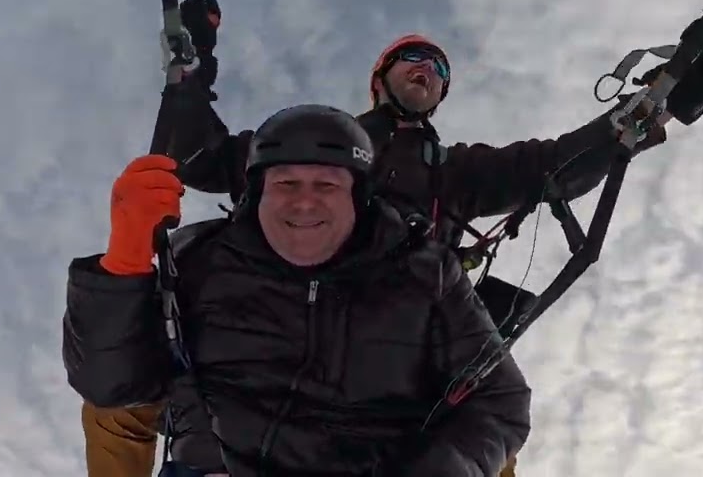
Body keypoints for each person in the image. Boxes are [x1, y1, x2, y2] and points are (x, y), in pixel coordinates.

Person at [79, 0, 703, 476]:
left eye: (437, 68)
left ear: (440, 95)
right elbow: (196, 158)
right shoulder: (294, 151)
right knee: (118, 408)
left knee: (490, 447)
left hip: (395, 344)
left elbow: (561, 164)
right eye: (411, 59)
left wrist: (680, 94)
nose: (424, 69)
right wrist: (193, 72)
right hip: (264, 329)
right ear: (381, 78)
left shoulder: (457, 174)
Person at [65, 105, 532, 477]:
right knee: (115, 410)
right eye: (285, 182)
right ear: (257, 194)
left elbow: (500, 398)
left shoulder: (427, 273)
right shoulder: (202, 256)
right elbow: (109, 386)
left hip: (378, 459)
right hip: (217, 457)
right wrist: (123, 263)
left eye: (326, 184)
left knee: (492, 457)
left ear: (358, 198)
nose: (304, 200)